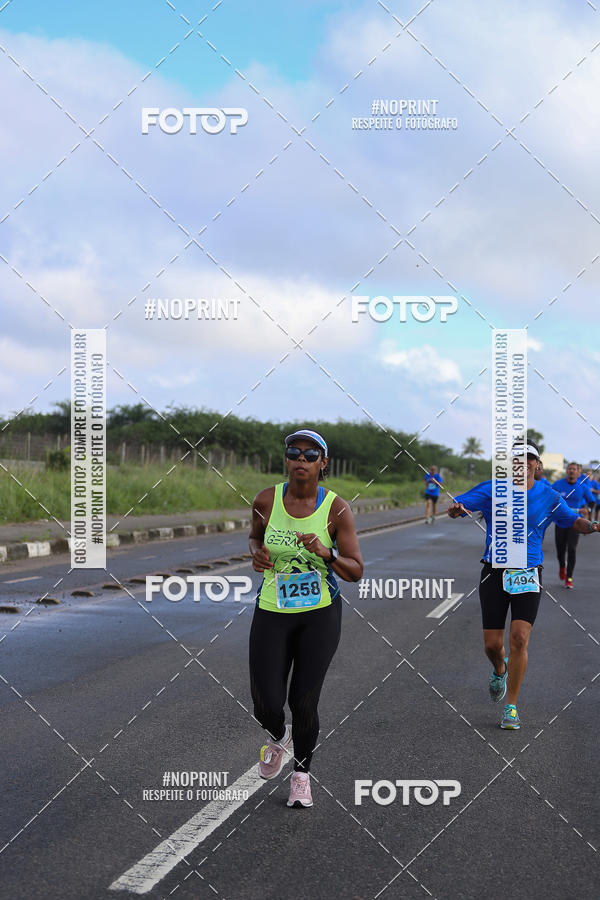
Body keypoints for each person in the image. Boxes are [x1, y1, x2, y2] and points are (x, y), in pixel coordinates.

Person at [447, 440, 599, 729]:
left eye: (530, 458)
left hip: (528, 572)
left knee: (519, 637)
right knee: (493, 645)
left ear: (537, 465)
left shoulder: (549, 496)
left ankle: (512, 706)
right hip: (494, 571)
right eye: (518, 458)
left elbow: (572, 521)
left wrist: (593, 526)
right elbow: (460, 505)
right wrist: (456, 509)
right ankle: (499, 668)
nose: (524, 462)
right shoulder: (492, 489)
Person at [248, 429, 363, 807]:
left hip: (320, 614)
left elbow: (356, 570)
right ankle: (278, 736)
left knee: (304, 700)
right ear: (286, 459)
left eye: (310, 454)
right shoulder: (266, 500)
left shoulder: (336, 509)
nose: (301, 459)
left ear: (323, 463)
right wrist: (257, 554)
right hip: (272, 610)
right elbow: (254, 537)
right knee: (265, 703)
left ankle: (301, 776)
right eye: (294, 452)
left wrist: (327, 554)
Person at [551, 463, 596, 588]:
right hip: (560, 522)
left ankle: (569, 577)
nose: (571, 471)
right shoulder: (557, 485)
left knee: (572, 549)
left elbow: (591, 502)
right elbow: (548, 498)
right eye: (569, 469)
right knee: (560, 550)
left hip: (575, 523)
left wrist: (588, 510)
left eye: (574, 469)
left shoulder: (582, 486)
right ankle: (562, 566)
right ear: (566, 471)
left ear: (578, 472)